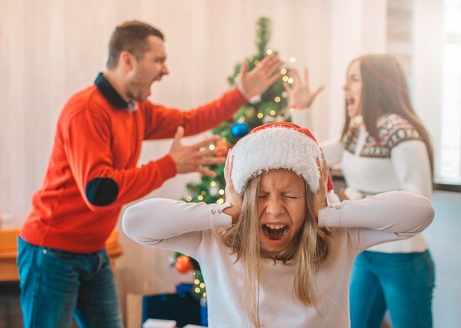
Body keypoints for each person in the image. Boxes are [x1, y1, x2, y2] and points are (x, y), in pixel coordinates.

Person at [17, 20, 283, 328]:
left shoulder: (135, 110)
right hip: (51, 252)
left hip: (93, 250)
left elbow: (190, 119)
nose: (165, 70)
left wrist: (240, 94)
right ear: (127, 59)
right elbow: (99, 192)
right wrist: (170, 165)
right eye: (158, 60)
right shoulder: (87, 111)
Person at [122, 121, 435, 328]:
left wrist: (325, 212)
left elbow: (419, 213)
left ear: (310, 197)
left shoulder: (339, 236)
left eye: (289, 195)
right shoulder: (216, 238)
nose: (274, 209)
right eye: (260, 197)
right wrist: (228, 211)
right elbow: (135, 222)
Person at [286, 55, 435, 327]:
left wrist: (357, 203)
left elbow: (420, 203)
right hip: (365, 253)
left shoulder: (402, 133)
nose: (345, 88)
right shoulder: (358, 129)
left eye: (354, 79)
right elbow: (311, 154)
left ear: (379, 85)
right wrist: (302, 110)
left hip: (402, 259)